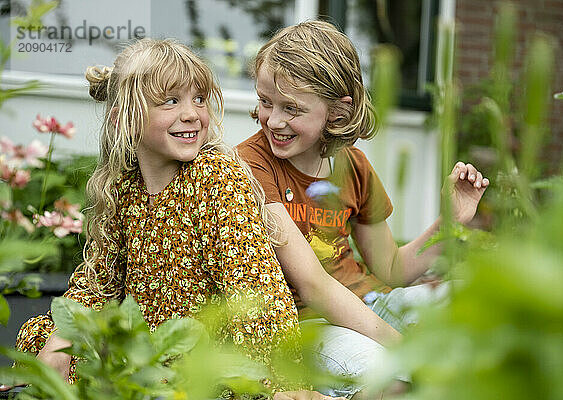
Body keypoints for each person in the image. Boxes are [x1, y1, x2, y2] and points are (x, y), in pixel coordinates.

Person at [0, 38, 342, 400]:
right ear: (124, 119)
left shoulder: (217, 179)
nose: (193, 113)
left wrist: (278, 387)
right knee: (43, 337)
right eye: (170, 101)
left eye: (199, 99)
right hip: (144, 352)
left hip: (206, 358)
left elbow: (256, 290)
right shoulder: (125, 188)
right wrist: (61, 340)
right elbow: (98, 284)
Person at [237, 20, 490, 397]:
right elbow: (312, 284)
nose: (273, 120)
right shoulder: (252, 164)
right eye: (265, 101)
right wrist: (404, 346)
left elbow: (391, 268)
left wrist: (451, 221)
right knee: (392, 379)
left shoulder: (353, 165)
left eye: (292, 108)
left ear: (338, 112)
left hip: (373, 306)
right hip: (313, 324)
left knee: (484, 301)